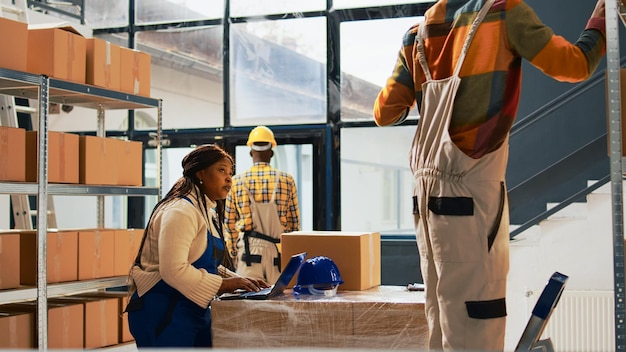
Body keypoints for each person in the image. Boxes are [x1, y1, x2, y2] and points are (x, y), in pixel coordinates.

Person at [373, 0, 606, 350]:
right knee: (475, 319)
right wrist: (601, 20)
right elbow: (574, 65)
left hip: (425, 199)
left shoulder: (416, 34)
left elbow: (385, 113)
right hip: (470, 193)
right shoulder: (505, 12)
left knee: (442, 318)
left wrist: (426, 73)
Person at [125, 144, 269, 348]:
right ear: (201, 173)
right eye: (222, 170)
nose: (229, 178)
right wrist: (225, 285)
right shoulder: (180, 211)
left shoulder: (204, 210)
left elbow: (202, 261)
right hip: (163, 312)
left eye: (230, 173)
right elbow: (173, 270)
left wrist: (237, 279)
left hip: (188, 310)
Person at [225, 125, 301, 284]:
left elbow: (229, 224)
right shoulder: (286, 180)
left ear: (251, 152)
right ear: (272, 152)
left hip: (248, 254)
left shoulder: (237, 181)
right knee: (279, 303)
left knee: (249, 304)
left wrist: (233, 253)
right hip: (278, 254)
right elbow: (294, 224)